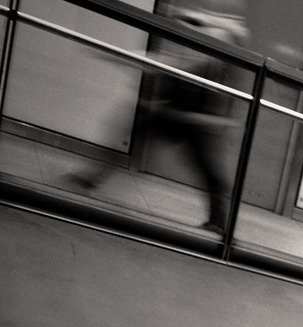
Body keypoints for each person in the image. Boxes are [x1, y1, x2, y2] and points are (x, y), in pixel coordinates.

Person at [68, 3, 251, 231]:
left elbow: (229, 34)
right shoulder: (213, 43)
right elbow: (178, 60)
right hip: (175, 112)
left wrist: (193, 18)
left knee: (212, 174)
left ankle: (220, 222)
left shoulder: (226, 45)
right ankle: (90, 178)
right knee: (132, 132)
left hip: (199, 121)